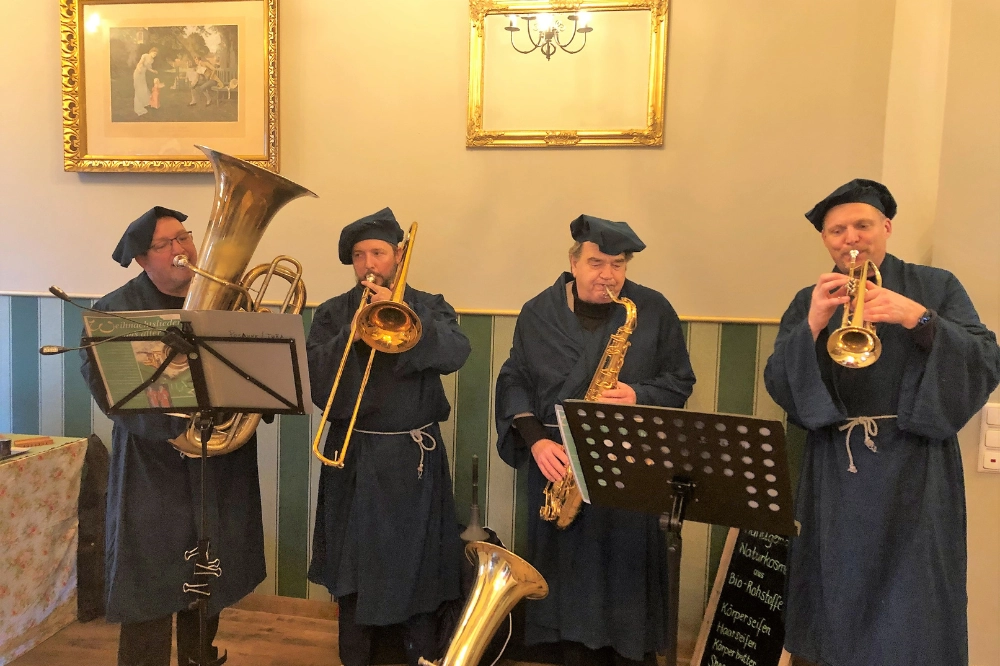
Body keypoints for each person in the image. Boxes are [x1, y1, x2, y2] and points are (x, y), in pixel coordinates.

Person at [763, 179, 1000, 666]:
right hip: (837, 466)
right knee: (836, 586)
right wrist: (812, 324)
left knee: (914, 598)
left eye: (862, 225)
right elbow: (779, 381)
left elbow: (984, 360)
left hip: (915, 464)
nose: (851, 238)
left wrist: (921, 320)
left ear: (886, 227)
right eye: (837, 231)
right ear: (825, 240)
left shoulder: (937, 285)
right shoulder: (811, 298)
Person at [495, 215, 696, 666]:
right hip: (557, 463)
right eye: (596, 263)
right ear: (574, 262)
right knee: (567, 583)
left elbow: (680, 381)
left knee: (625, 576)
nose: (608, 275)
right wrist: (536, 441)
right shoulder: (537, 311)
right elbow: (514, 379)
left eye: (618, 265)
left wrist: (638, 394)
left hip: (629, 465)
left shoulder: (653, 309)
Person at [80, 207, 266, 666]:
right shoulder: (115, 310)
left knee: (209, 566)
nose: (182, 249)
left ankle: (200, 655)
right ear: (143, 259)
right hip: (152, 459)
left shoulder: (231, 300)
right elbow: (108, 389)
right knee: (150, 572)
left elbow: (260, 375)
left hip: (217, 456)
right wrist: (173, 427)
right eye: (166, 244)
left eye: (184, 237)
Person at [307, 208, 471, 666]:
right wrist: (354, 333)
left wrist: (411, 322)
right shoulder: (333, 312)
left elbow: (456, 352)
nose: (369, 264)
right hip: (354, 457)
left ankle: (417, 654)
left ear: (398, 255)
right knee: (355, 565)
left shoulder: (429, 304)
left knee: (415, 566)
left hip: (412, 460)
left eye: (378, 252)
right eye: (359, 256)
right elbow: (317, 382)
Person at [132, 47, 158, 116]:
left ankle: (144, 102)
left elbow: (148, 67)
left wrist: (154, 71)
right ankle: (138, 105)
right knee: (138, 89)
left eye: (156, 54)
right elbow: (140, 63)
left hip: (142, 74)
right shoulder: (145, 55)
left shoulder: (152, 60)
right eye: (154, 53)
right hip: (138, 72)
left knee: (143, 88)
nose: (154, 55)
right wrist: (139, 69)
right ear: (151, 52)